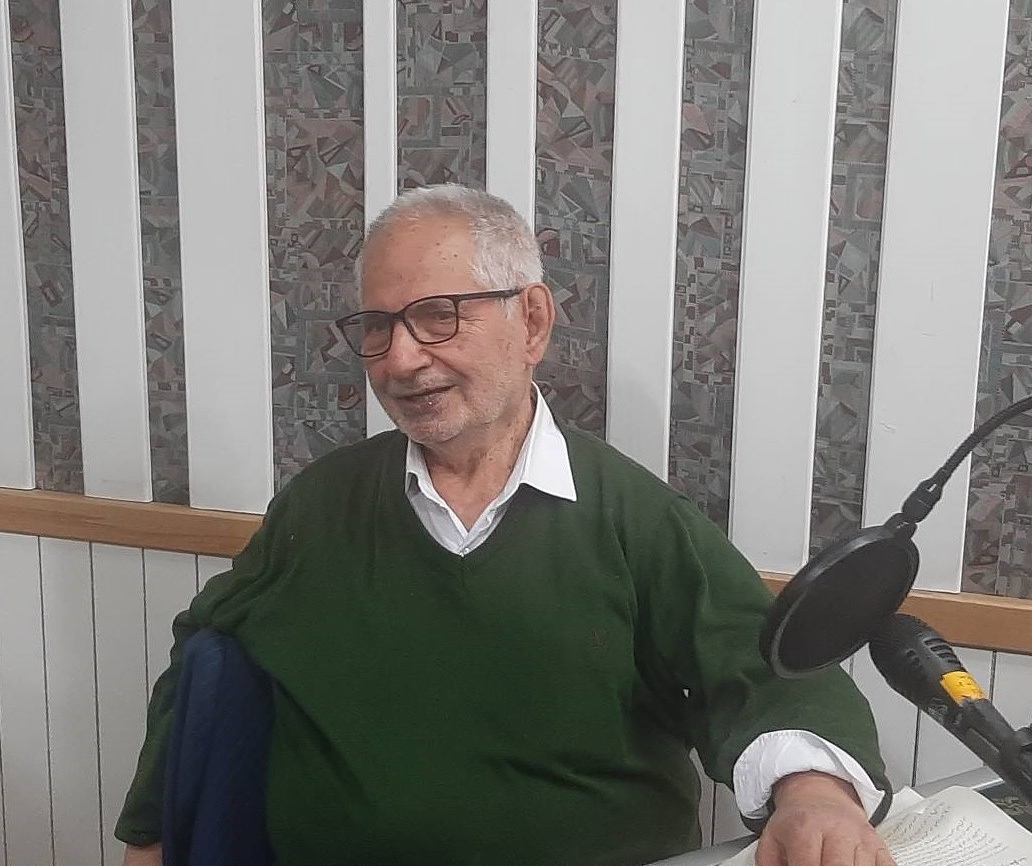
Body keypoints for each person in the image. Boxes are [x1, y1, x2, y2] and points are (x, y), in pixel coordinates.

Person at [118, 185, 897, 866]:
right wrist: (152, 839)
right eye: (378, 326)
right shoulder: (320, 507)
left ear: (532, 322)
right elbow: (205, 655)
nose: (400, 360)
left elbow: (767, 672)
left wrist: (814, 797)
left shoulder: (633, 518)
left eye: (437, 317)